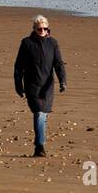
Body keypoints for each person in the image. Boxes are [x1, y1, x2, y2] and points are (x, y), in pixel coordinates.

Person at [13, 15, 66, 157]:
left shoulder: (53, 43)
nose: (42, 31)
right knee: (39, 114)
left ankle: (38, 145)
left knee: (43, 115)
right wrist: (18, 85)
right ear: (34, 29)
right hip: (32, 86)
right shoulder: (26, 43)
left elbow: (58, 64)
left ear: (48, 29)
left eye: (44, 28)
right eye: (39, 29)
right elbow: (18, 67)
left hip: (47, 87)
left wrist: (63, 81)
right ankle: (40, 146)